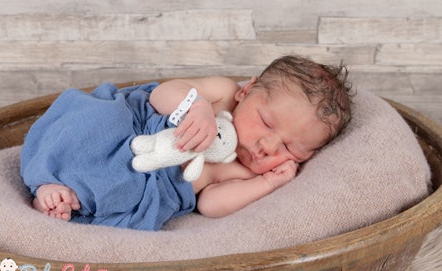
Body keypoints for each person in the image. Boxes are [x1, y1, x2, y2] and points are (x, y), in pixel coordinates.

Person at [20, 55, 352, 230]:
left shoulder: (249, 173)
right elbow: (164, 93)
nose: (268, 146)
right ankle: (49, 175)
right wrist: (198, 107)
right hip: (136, 126)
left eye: (290, 150)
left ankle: (59, 201)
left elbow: (210, 204)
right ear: (247, 91)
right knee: (94, 125)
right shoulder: (222, 94)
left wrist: (266, 183)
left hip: (153, 185)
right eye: (266, 122)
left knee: (126, 196)